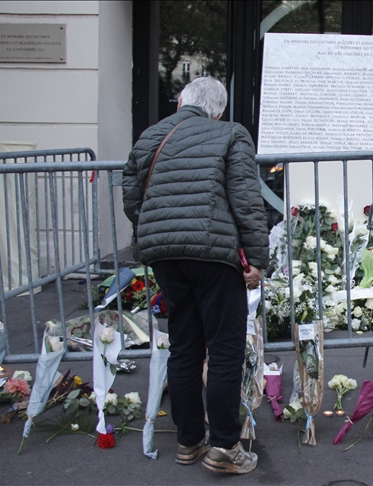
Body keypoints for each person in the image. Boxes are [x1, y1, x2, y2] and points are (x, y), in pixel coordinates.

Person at [122, 76, 268, 474]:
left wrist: (160, 231)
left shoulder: (150, 136)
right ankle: (223, 445)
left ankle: (188, 440)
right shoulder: (230, 133)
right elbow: (246, 198)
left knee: (185, 345)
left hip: (164, 254)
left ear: (181, 102)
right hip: (213, 251)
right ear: (218, 111)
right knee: (224, 349)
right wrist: (256, 257)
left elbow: (132, 196)